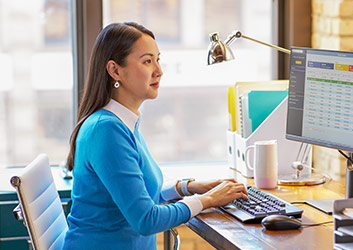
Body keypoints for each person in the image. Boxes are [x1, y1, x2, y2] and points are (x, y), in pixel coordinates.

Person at [63, 22, 248, 250]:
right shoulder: (106, 131)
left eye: (158, 60)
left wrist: (189, 187)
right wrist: (209, 200)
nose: (159, 71)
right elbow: (146, 219)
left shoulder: (124, 122)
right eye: (147, 61)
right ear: (115, 70)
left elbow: (140, 194)